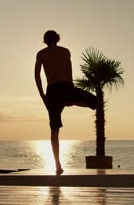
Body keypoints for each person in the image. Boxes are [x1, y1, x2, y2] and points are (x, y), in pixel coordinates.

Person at [34, 30, 96, 175]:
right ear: (57, 39)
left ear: (45, 40)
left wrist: (42, 94)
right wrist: (71, 93)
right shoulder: (64, 51)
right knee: (94, 101)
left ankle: (57, 165)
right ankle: (71, 101)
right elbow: (69, 72)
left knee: (54, 131)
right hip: (65, 87)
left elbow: (37, 75)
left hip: (54, 90)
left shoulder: (41, 53)